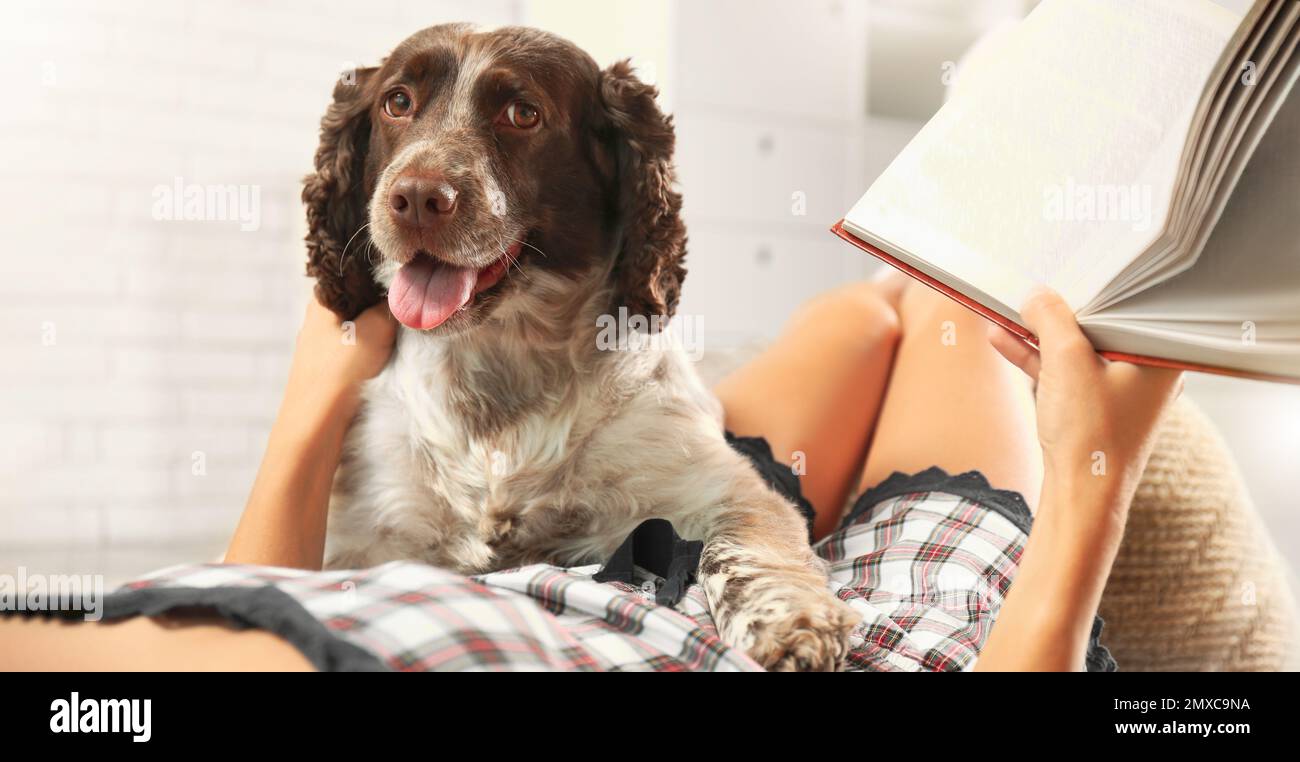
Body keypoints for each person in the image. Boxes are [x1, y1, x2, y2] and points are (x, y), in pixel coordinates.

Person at [0, 274, 1181, 671]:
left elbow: (259, 605)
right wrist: (1095, 481)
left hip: (615, 528)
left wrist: (315, 397)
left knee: (865, 308)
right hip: (880, 624)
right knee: (944, 309)